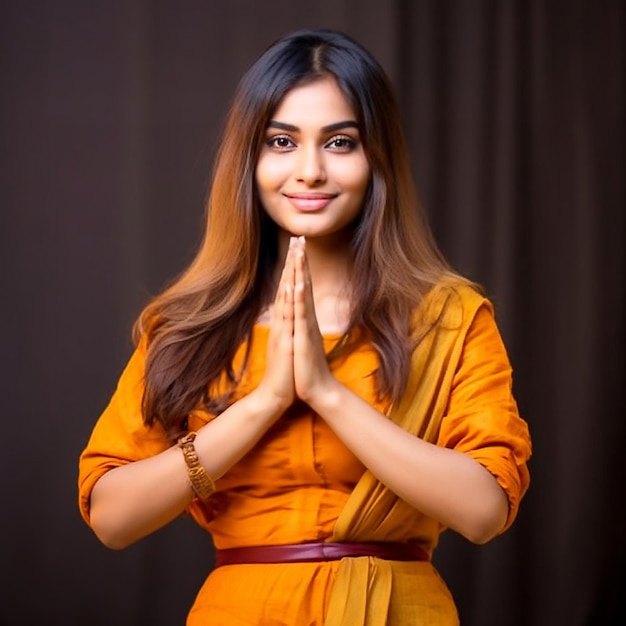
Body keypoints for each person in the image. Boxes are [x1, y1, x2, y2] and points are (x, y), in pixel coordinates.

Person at [78, 28, 532, 625]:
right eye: (282, 141)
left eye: (340, 142)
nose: (310, 170)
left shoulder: (448, 317)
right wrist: (264, 403)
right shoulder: (188, 324)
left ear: (378, 159)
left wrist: (325, 392)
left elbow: (484, 510)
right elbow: (112, 518)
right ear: (250, 157)